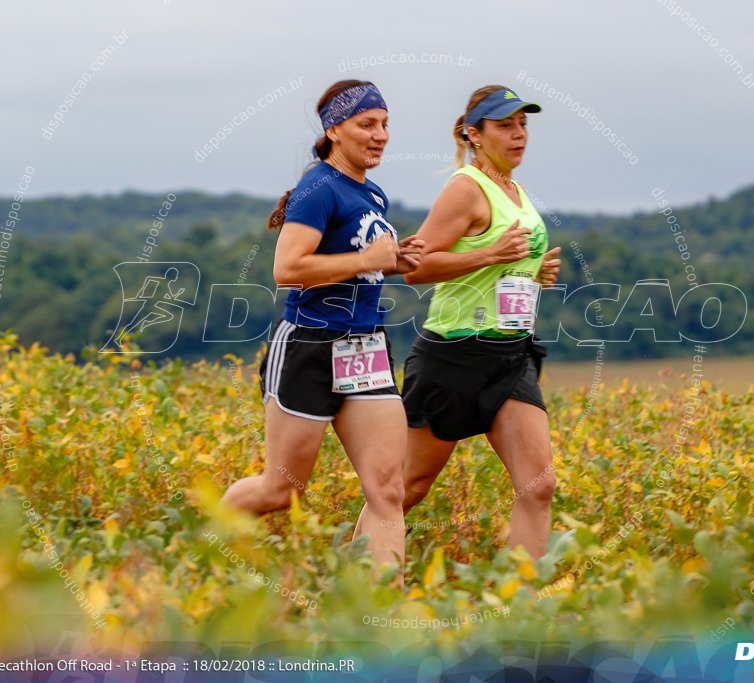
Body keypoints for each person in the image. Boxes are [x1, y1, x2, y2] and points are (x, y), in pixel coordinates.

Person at [221, 80, 423, 570]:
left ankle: (380, 610)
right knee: (280, 490)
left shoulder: (372, 193)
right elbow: (287, 270)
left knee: (388, 488)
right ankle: (206, 543)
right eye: (366, 124)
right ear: (334, 129)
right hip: (310, 347)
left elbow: (358, 258)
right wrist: (365, 259)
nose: (380, 135)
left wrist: (392, 260)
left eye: (385, 124)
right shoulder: (318, 188)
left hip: (367, 346)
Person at [398, 85, 561, 559]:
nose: (519, 135)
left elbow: (502, 267)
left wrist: (534, 274)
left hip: (510, 355)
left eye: (523, 125)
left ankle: (520, 606)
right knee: (407, 488)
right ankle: (352, 577)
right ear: (474, 133)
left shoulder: (517, 191)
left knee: (539, 485)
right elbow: (415, 268)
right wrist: (493, 254)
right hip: (453, 355)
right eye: (505, 126)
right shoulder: (466, 189)